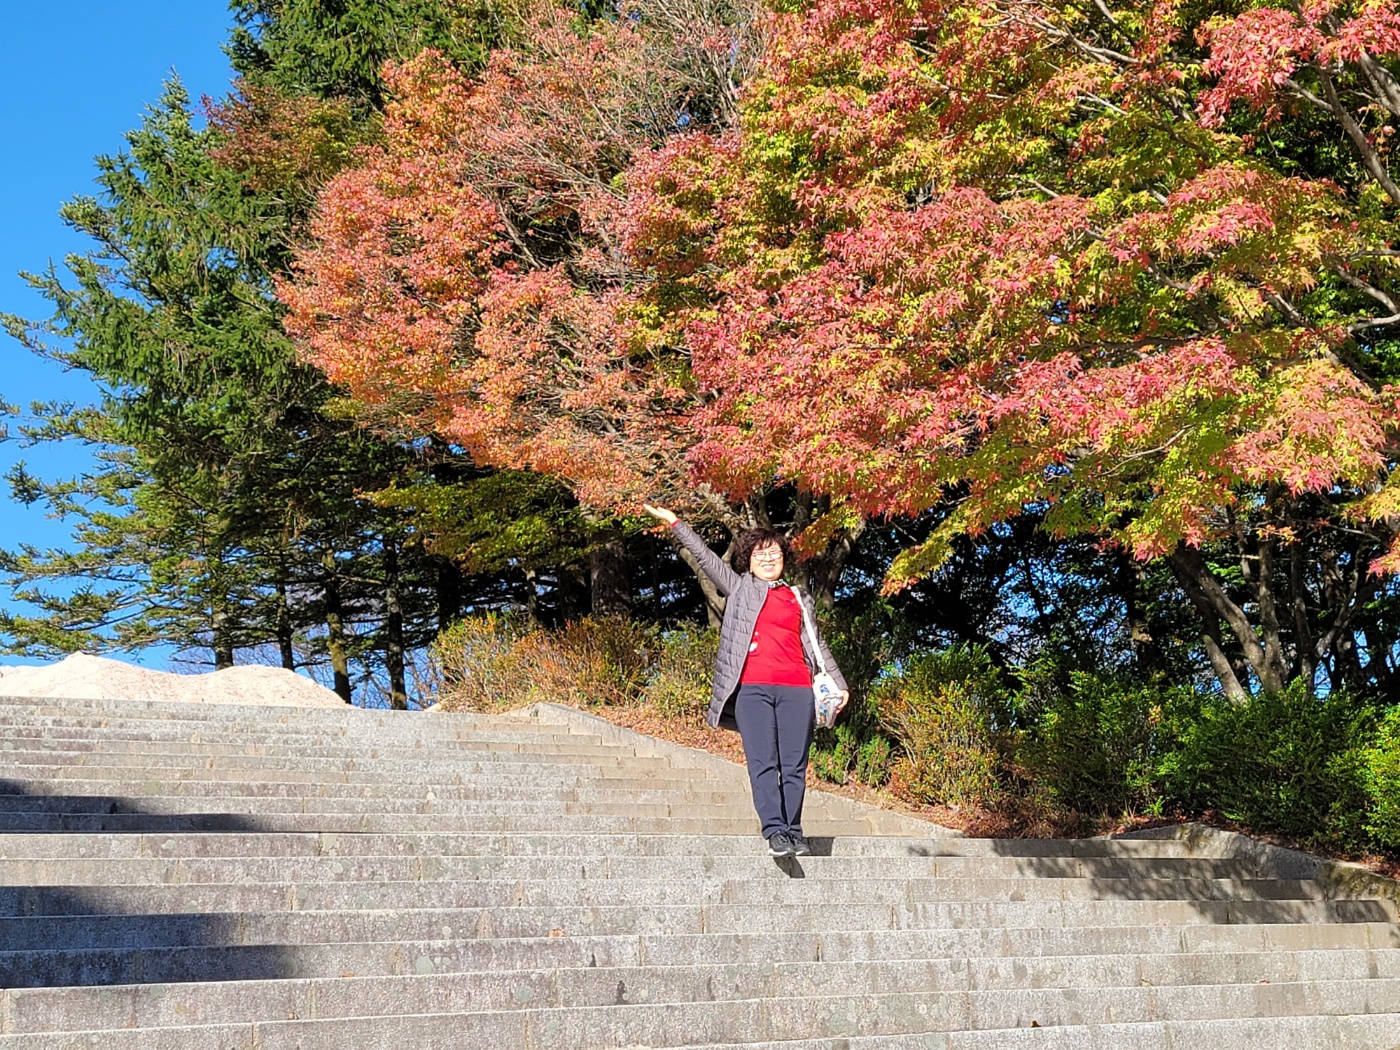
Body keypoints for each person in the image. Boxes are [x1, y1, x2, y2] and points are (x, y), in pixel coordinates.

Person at [643, 503, 849, 857]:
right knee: (763, 762)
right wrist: (676, 523)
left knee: (794, 765)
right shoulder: (739, 588)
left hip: (797, 689)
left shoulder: (798, 598)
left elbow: (816, 643)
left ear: (784, 559)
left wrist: (839, 684)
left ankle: (793, 830)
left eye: (774, 554)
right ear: (748, 561)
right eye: (760, 555)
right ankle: (775, 831)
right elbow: (706, 559)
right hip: (753, 691)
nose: (768, 560)